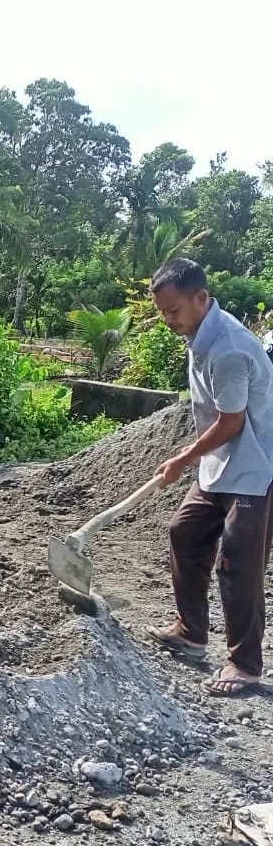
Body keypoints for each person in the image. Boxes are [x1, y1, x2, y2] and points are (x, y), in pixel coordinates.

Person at [146, 258, 273, 697]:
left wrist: (182, 458)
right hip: (221, 463)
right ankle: (191, 631)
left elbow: (232, 421)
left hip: (257, 466)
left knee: (238, 562)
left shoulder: (229, 348)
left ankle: (245, 665)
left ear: (201, 298)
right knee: (185, 530)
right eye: (162, 311)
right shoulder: (199, 335)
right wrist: (196, 457)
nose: (168, 320)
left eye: (173, 311)